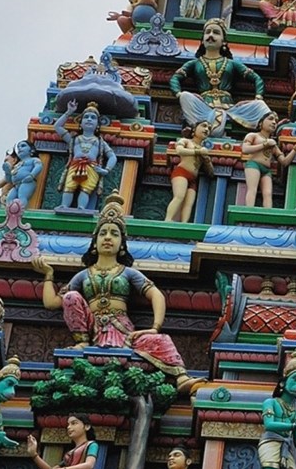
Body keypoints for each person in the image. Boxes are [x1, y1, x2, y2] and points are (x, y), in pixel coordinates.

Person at [34, 196, 187, 383]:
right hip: (94, 327)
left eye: (114, 234)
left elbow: (156, 295)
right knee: (71, 296)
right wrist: (48, 274)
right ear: (95, 242)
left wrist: (155, 328)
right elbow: (52, 303)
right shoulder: (84, 275)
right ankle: (82, 341)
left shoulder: (128, 272)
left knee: (162, 340)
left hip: (124, 331)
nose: (108, 237)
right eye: (103, 233)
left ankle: (182, 378)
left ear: (121, 244)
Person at [170, 17, 272, 138]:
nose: (211, 35)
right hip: (203, 107)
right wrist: (179, 94)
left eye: (216, 32)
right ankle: (197, 127)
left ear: (224, 41)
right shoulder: (195, 63)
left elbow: (256, 79)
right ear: (202, 40)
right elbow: (175, 78)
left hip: (231, 109)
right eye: (207, 32)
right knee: (185, 96)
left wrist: (257, 98)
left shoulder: (231, 63)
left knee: (260, 105)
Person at [54, 101, 118, 212]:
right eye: (86, 117)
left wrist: (106, 170)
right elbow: (57, 126)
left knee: (86, 189)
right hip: (75, 165)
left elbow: (112, 156)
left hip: (92, 167)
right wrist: (69, 112)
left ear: (97, 124)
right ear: (81, 123)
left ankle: (81, 208)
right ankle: (64, 206)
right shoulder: (74, 139)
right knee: (69, 187)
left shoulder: (99, 142)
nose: (89, 119)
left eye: (93, 118)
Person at [163, 120, 215, 223]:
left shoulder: (203, 149)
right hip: (182, 172)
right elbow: (179, 150)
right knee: (179, 196)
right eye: (204, 126)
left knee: (188, 204)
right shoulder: (186, 141)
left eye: (209, 128)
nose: (206, 129)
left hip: (193, 179)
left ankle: (184, 224)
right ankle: (168, 219)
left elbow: (211, 173)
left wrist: (207, 159)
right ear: (194, 129)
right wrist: (198, 152)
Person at [237, 112, 291, 209]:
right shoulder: (253, 135)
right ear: (261, 123)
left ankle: (268, 212)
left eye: (276, 121)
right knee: (252, 189)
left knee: (268, 194)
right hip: (254, 165)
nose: (274, 122)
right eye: (270, 119)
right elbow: (245, 149)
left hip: (266, 170)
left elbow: (284, 162)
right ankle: (249, 210)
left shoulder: (273, 144)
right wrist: (265, 145)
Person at [0, 141, 42, 209]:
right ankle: (10, 212)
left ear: (31, 150)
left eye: (23, 146)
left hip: (26, 182)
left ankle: (21, 211)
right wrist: (8, 172)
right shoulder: (18, 165)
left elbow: (38, 166)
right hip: (16, 185)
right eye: (18, 147)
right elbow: (10, 178)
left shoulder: (33, 160)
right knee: (9, 198)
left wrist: (31, 175)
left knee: (22, 196)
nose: (20, 148)